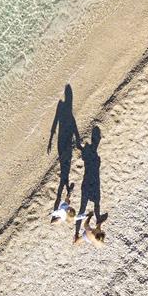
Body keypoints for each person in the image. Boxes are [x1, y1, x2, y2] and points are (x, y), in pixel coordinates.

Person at [47, 83, 81, 213]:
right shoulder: (69, 115)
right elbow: (75, 132)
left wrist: (50, 140)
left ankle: (67, 188)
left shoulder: (61, 106)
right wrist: (78, 144)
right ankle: (67, 189)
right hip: (66, 144)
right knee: (65, 166)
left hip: (62, 143)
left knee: (64, 167)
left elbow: (55, 123)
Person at [74, 126, 107, 241]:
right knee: (92, 204)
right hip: (92, 183)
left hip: (89, 184)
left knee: (83, 208)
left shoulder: (90, 233)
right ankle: (77, 236)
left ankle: (76, 234)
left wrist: (89, 217)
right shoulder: (95, 236)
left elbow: (86, 225)